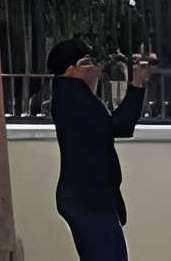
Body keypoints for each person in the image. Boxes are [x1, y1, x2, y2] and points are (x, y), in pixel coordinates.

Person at [47, 38, 148, 261]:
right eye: (87, 63)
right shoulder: (70, 95)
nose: (96, 68)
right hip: (86, 199)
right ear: (70, 71)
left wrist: (137, 84)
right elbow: (112, 127)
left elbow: (116, 126)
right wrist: (136, 85)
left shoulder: (76, 97)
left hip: (91, 198)